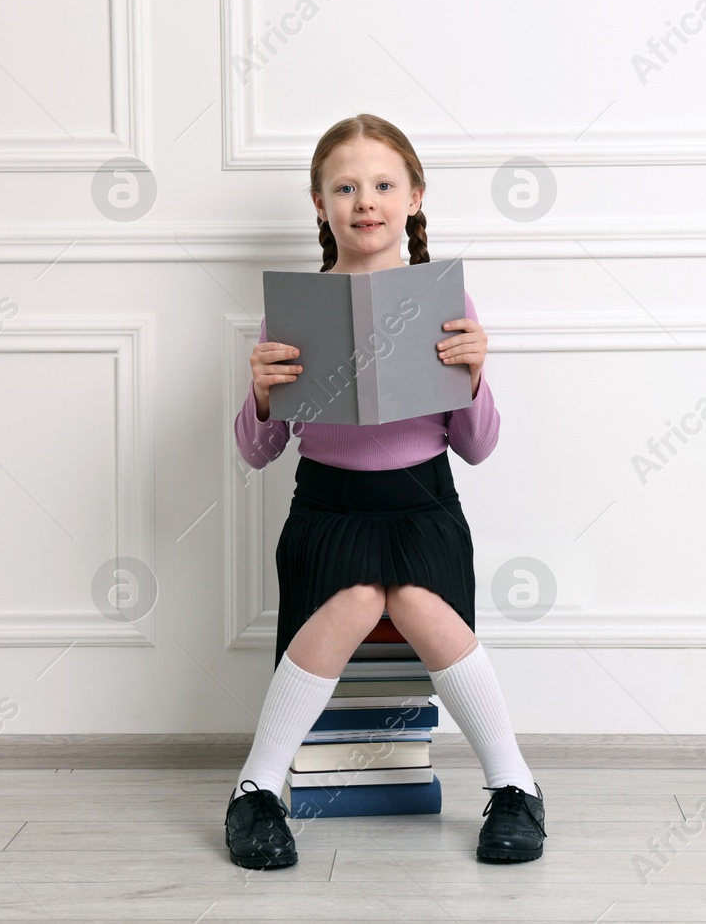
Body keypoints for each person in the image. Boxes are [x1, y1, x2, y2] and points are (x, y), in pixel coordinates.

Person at [223, 113, 545, 869]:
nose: (364, 200)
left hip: (423, 504)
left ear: (413, 196)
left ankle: (514, 783)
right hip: (328, 508)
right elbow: (257, 450)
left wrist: (473, 376)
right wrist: (262, 394)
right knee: (359, 594)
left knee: (416, 597)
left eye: (381, 184)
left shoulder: (448, 303)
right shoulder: (293, 310)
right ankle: (255, 788)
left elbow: (477, 445)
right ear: (319, 204)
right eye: (344, 186)